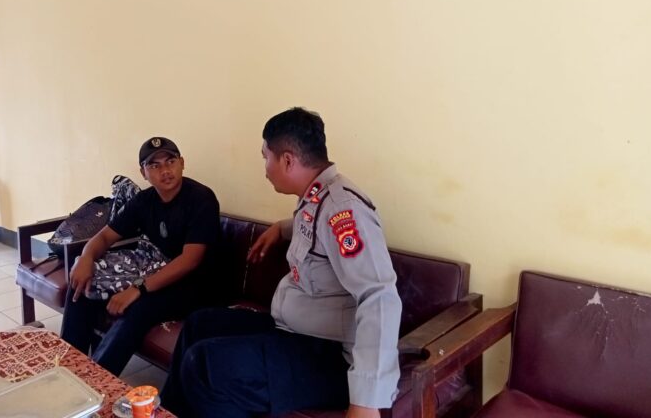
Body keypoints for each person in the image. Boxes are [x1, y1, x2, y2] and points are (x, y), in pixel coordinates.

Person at [161, 108, 401, 418]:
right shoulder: (317, 197)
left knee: (205, 365)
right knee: (198, 325)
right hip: (294, 331)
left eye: (266, 158)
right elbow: (317, 231)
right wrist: (281, 228)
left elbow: (379, 296)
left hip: (331, 356)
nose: (265, 169)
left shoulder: (344, 210)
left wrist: (365, 401)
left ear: (287, 160)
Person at [60, 137, 220, 376]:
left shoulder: (201, 198)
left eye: (170, 161)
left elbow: (190, 260)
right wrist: (85, 258)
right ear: (143, 172)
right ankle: (69, 371)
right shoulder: (144, 201)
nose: (165, 170)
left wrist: (138, 288)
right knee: (83, 283)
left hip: (195, 284)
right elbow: (105, 237)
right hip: (153, 271)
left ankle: (96, 383)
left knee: (137, 308)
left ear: (182, 163)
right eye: (154, 165)